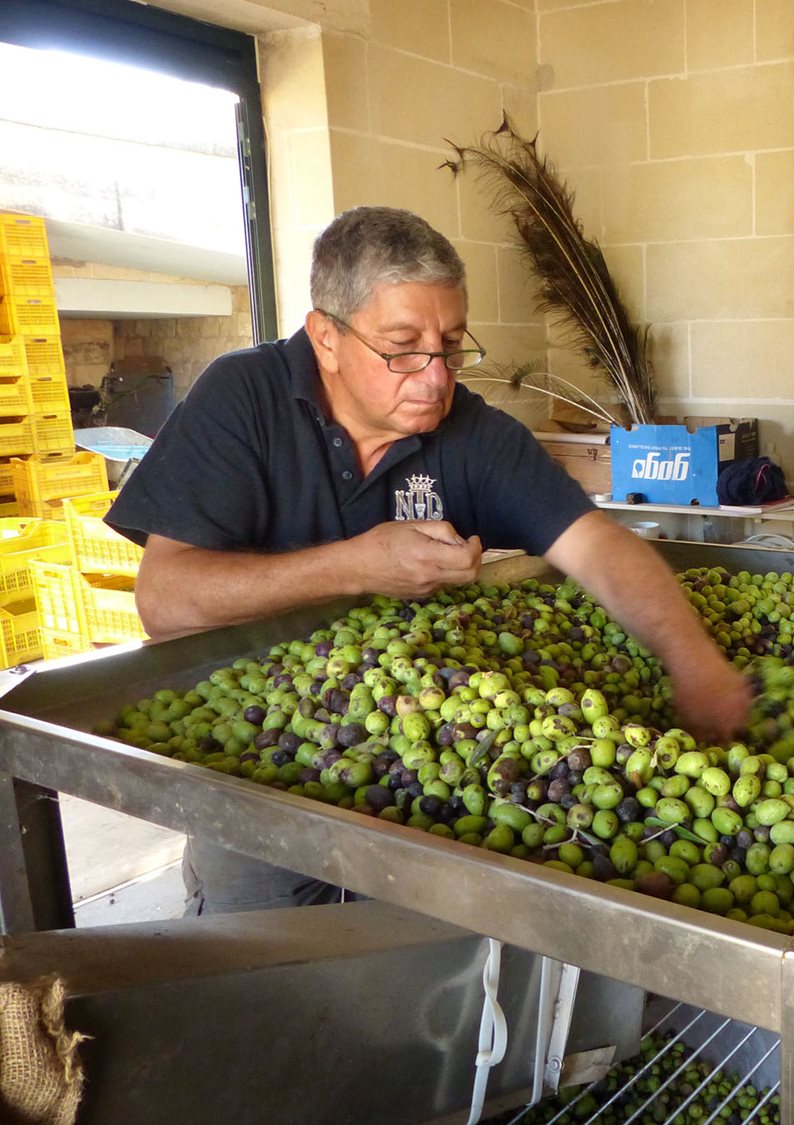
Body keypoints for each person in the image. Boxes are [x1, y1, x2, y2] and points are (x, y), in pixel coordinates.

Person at [106, 205, 751, 914]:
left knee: (428, 988)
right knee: (264, 986)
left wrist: (693, 661)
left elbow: (596, 546)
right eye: (403, 346)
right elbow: (163, 600)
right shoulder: (243, 398)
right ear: (326, 337)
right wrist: (356, 565)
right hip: (256, 774)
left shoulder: (473, 434)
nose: (435, 375)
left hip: (425, 787)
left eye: (450, 345)